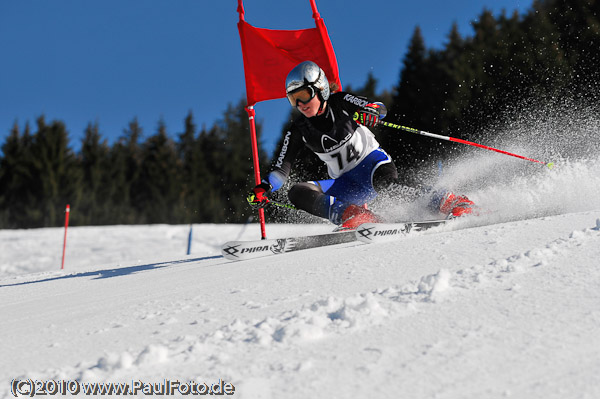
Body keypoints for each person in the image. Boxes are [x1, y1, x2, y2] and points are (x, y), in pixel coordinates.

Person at [248, 61, 475, 230]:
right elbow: (281, 169)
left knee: (386, 183)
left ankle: (453, 201)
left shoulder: (340, 102)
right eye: (293, 99)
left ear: (320, 89)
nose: (300, 104)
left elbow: (378, 107)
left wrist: (370, 113)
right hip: (346, 183)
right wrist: (265, 187)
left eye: (304, 95)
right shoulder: (298, 130)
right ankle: (355, 215)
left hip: (373, 166)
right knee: (298, 192)